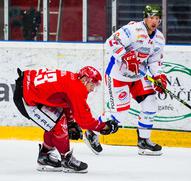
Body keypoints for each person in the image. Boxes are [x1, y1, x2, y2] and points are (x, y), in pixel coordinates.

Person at [84, 4, 167, 156]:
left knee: (151, 103)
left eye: (156, 18)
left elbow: (154, 61)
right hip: (118, 75)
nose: (153, 21)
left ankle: (143, 141)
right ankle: (92, 132)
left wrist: (159, 76)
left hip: (138, 76)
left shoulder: (160, 39)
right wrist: (126, 56)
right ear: (145, 18)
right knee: (119, 114)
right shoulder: (133, 30)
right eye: (150, 17)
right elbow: (110, 42)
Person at [13, 66, 119, 173]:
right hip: (25, 96)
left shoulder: (72, 79)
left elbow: (66, 101)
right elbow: (84, 120)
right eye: (92, 85)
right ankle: (66, 160)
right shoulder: (77, 89)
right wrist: (104, 127)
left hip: (26, 86)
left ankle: (44, 156)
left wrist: (71, 123)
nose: (92, 89)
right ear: (84, 80)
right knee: (59, 125)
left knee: (57, 122)